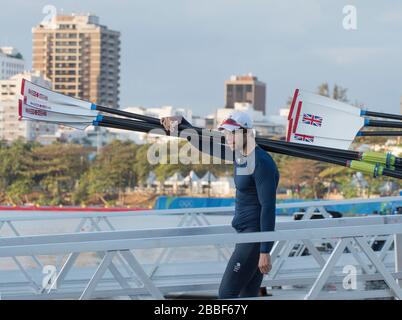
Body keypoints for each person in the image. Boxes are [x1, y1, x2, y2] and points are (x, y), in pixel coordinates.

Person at [160, 111, 280, 299]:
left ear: (247, 132)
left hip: (254, 238)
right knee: (246, 294)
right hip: (246, 236)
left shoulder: (261, 163)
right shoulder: (239, 154)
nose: (228, 137)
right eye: (226, 132)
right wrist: (182, 121)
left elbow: (268, 207)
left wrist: (265, 250)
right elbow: (204, 144)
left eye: (232, 132)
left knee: (226, 294)